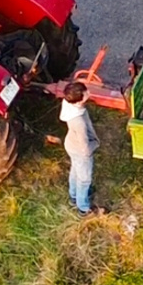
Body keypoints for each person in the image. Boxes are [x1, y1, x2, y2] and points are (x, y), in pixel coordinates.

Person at [60, 82, 100, 214]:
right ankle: (83, 208)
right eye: (85, 93)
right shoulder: (79, 122)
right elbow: (85, 148)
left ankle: (74, 196)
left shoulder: (68, 103)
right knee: (84, 179)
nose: (88, 93)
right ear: (78, 102)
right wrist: (95, 144)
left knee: (75, 170)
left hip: (71, 144)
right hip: (80, 150)